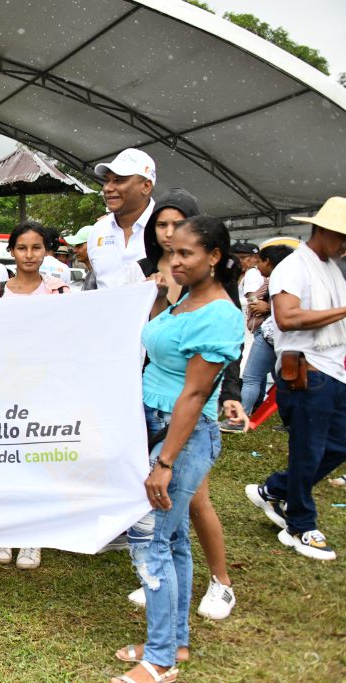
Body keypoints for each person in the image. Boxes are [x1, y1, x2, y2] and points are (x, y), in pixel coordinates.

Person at [111, 215, 243, 683]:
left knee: (150, 543)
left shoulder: (221, 315)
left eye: (187, 253)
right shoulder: (185, 300)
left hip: (180, 437)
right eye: (172, 253)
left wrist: (165, 462)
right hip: (155, 426)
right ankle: (174, 643)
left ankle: (161, 660)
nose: (177, 261)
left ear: (215, 257)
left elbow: (193, 395)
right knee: (172, 539)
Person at [246, 196, 346, 562]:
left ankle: (276, 489)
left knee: (338, 443)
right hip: (307, 371)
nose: (345, 245)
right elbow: (286, 318)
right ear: (321, 230)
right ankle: (300, 525)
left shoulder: (333, 268)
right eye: (341, 236)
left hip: (334, 370)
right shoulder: (293, 268)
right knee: (309, 450)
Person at [0, 221, 66, 569]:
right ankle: (5, 530)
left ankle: (33, 537)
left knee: (37, 461)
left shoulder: (60, 292)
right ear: (12, 251)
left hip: (42, 389)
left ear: (45, 250)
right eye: (22, 248)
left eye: (36, 248)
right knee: (5, 460)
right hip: (3, 390)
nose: (29, 255)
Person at [237, 245, 294, 417]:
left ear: (268, 261)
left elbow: (252, 297)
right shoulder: (295, 278)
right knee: (284, 380)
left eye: (259, 261)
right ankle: (289, 419)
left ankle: (242, 417)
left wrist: (266, 306)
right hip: (291, 338)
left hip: (270, 334)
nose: (256, 266)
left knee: (252, 377)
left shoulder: (276, 278)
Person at [87, 148, 156, 289]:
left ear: (146, 186)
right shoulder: (98, 231)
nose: (108, 188)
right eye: (107, 180)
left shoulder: (167, 227)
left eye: (119, 180)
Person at [65, 225, 97, 291]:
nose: (74, 250)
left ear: (93, 244)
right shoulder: (91, 273)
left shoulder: (101, 275)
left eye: (79, 245)